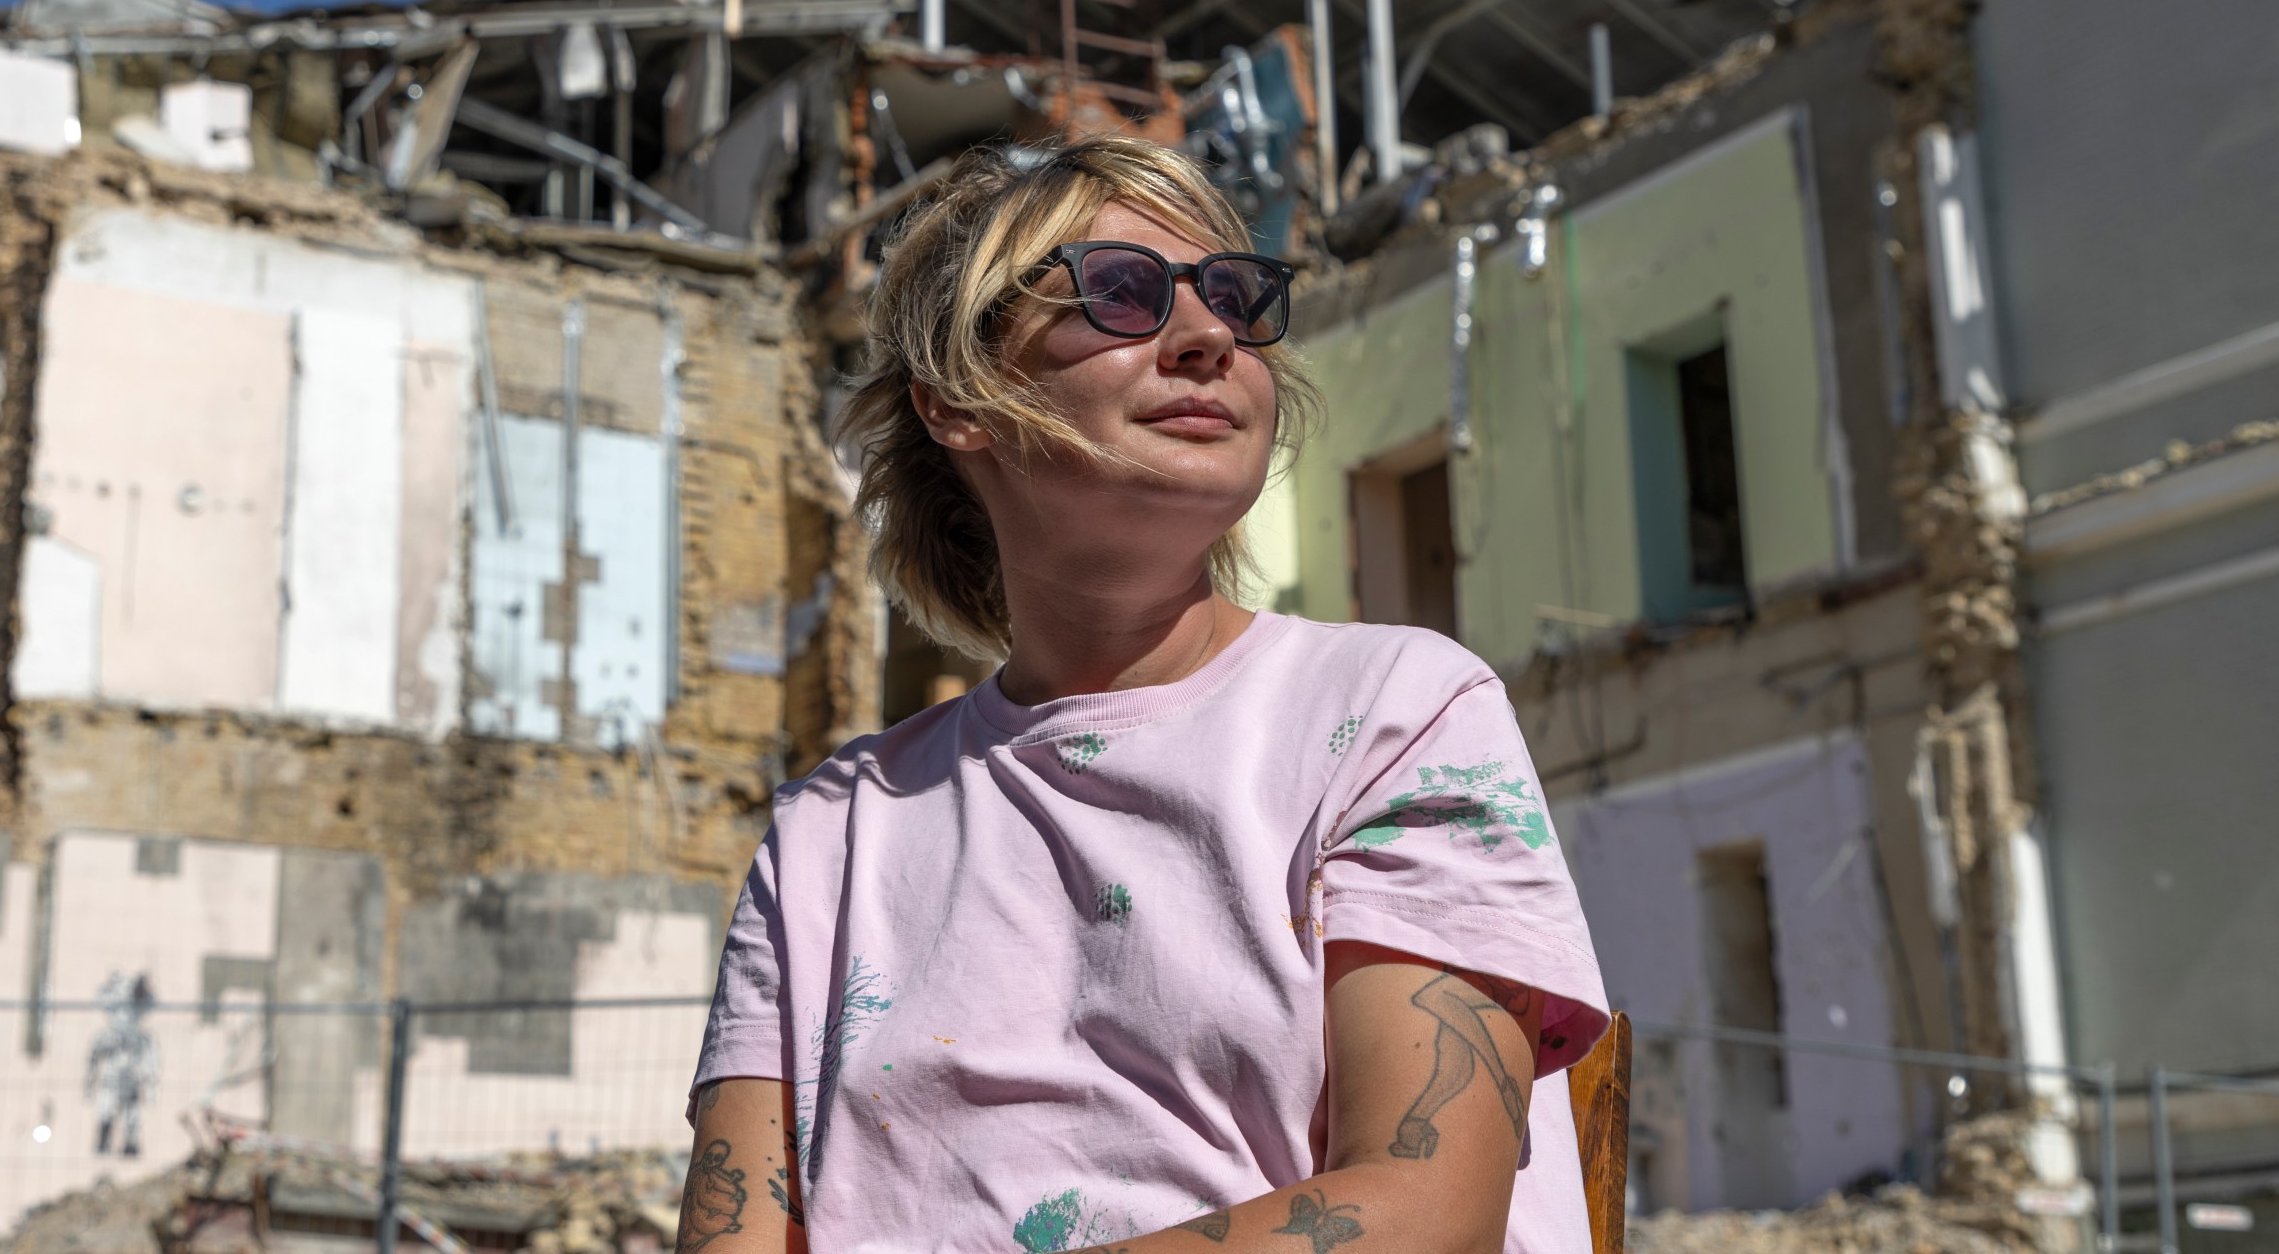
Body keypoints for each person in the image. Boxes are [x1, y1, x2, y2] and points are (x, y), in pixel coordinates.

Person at [688, 136, 1606, 1254]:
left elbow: (1426, 1213)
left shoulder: (1396, 716)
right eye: (1120, 294)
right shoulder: (831, 834)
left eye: (1235, 295)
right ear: (955, 405)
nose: (1209, 336)